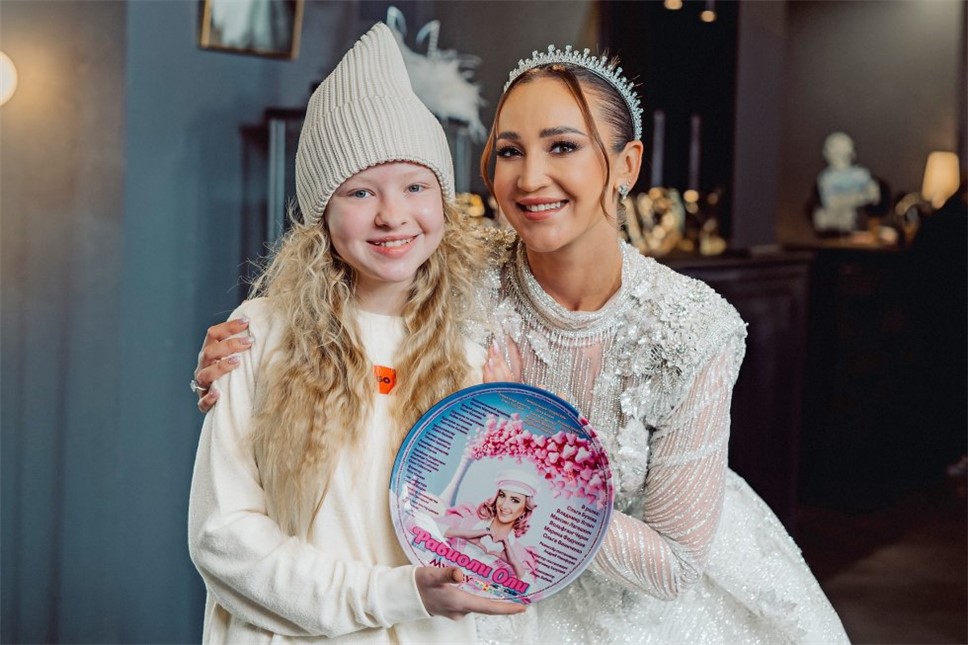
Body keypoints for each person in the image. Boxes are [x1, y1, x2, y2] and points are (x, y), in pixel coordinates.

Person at [194, 41, 849, 644]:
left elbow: (675, 564)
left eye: (563, 146)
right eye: (510, 151)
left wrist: (529, 465)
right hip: (461, 599)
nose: (532, 177)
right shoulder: (453, 277)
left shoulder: (691, 327)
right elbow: (346, 319)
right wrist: (240, 358)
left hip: (630, 607)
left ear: (626, 164)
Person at [187, 22, 526, 645]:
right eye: (361, 192)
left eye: (416, 186)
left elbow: (495, 534)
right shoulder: (258, 335)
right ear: (322, 214)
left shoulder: (477, 352)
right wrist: (392, 594)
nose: (392, 215)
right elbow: (223, 537)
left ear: (444, 203)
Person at [441, 469, 540, 585]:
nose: (504, 505)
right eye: (502, 496)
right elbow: (422, 524)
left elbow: (532, 592)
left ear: (524, 510)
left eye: (515, 500)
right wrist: (463, 533)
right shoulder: (466, 518)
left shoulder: (521, 557)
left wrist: (514, 563)